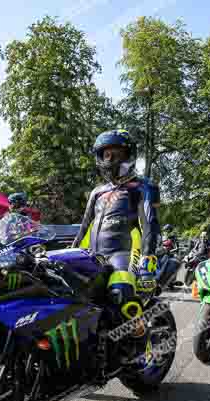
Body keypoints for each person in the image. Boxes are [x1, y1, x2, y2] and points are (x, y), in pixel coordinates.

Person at [72, 129, 160, 344]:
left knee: (121, 295)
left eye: (117, 154)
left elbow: (149, 223)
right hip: (93, 256)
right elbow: (83, 228)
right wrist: (70, 253)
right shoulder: (96, 192)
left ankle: (140, 343)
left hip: (125, 253)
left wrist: (147, 262)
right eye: (106, 154)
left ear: (129, 156)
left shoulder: (143, 186)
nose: (111, 159)